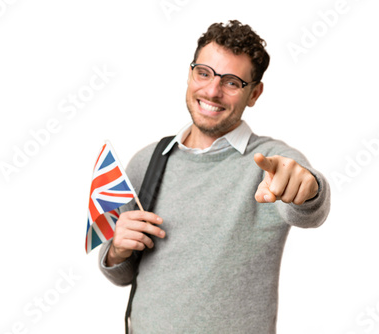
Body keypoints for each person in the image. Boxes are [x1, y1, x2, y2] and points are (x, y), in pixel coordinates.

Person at [98, 20, 331, 333]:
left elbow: (307, 208)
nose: (211, 91)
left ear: (254, 93)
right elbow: (121, 274)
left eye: (232, 82)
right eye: (203, 73)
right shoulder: (149, 160)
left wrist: (308, 190)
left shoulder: (271, 162)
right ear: (190, 73)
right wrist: (117, 250)